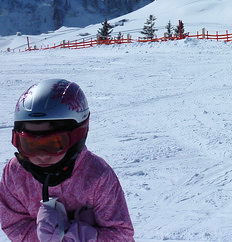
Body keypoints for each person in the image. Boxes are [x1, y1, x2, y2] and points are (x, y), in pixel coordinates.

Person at [0, 78, 135, 241]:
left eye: (53, 143)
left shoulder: (97, 176)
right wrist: (41, 237)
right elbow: (13, 223)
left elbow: (121, 234)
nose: (41, 154)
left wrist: (83, 236)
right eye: (30, 144)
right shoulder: (16, 174)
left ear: (78, 136)